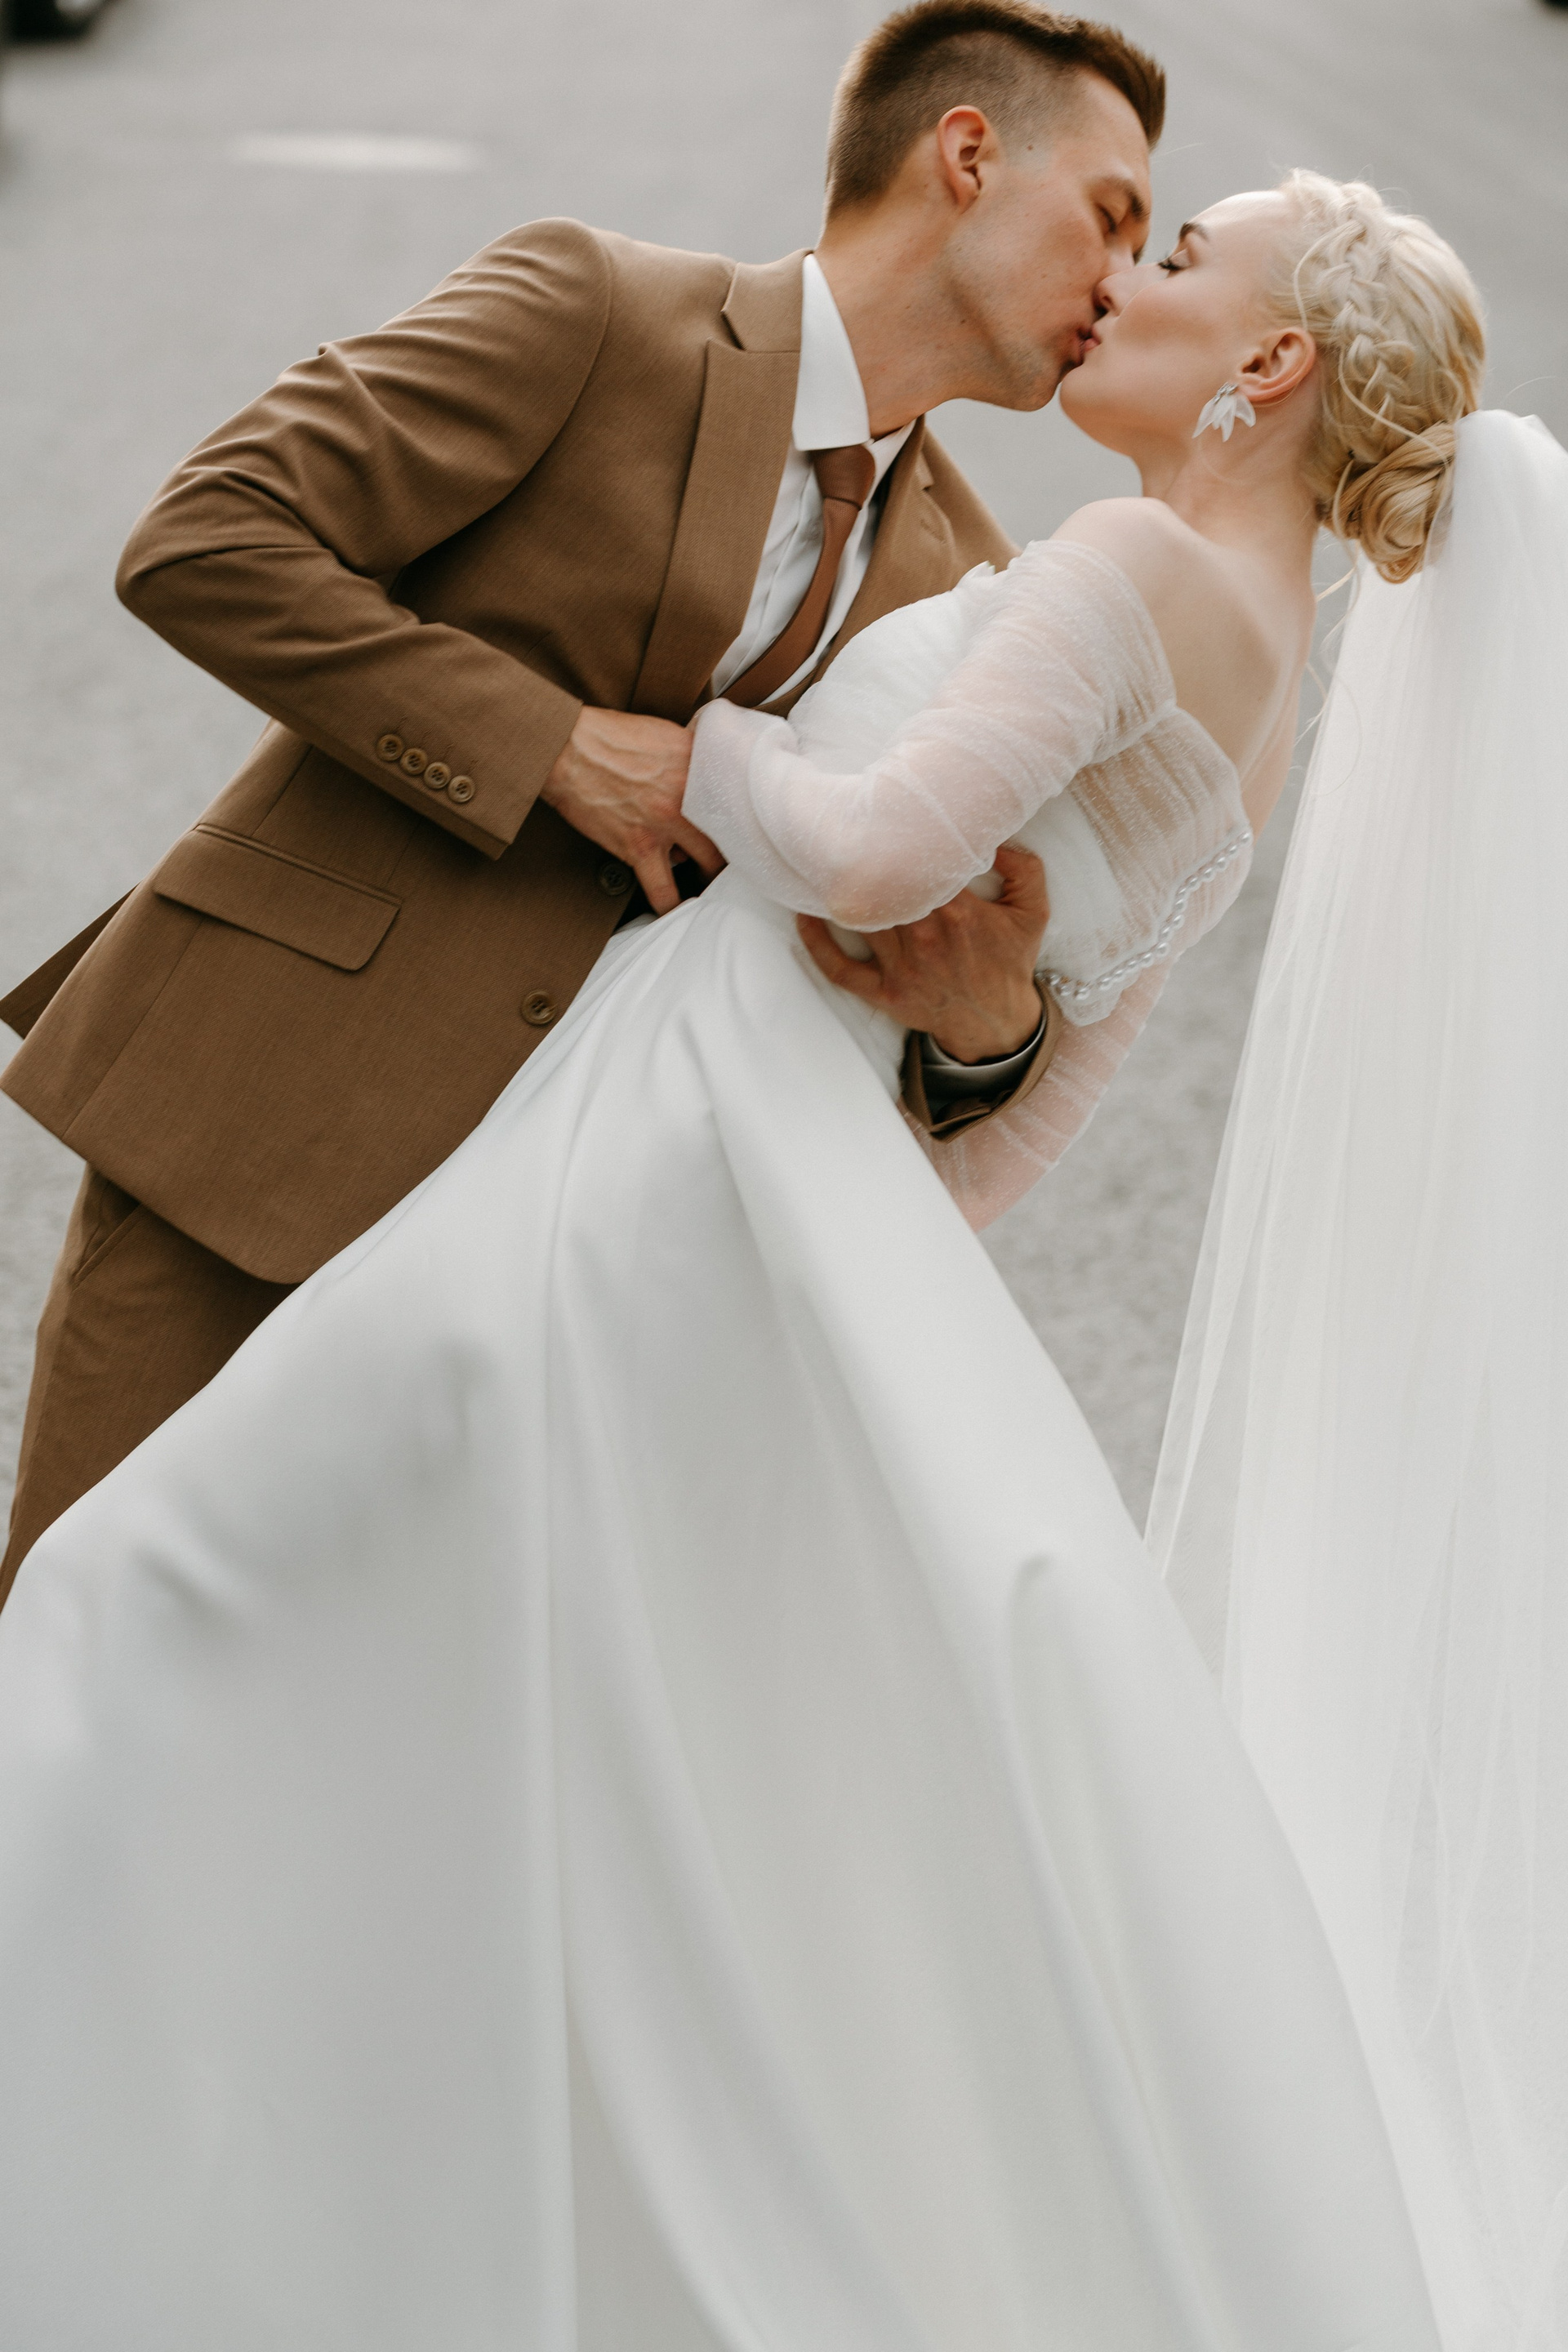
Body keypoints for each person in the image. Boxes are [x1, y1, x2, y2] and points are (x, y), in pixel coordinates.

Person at [0, 167, 1481, 2349]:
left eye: (1177, 255)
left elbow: (874, 854)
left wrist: (659, 756)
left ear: (1267, 362)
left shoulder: (1118, 558)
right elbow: (1034, 1104)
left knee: (173, 1588)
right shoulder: (1261, 729)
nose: (1126, 279)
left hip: (651, 1145)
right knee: (561, 1744)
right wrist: (852, 1224)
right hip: (764, 1197)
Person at [0, 1, 1165, 1597]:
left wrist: (984, 1034)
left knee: (363, 1720)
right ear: (965, 156)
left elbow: (899, 1003)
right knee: (70, 1649)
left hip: (553, 1261)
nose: (1124, 282)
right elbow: (209, 537)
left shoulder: (965, 582)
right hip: (266, 1128)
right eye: (1111, 216)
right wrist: (549, 744)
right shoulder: (598, 309)